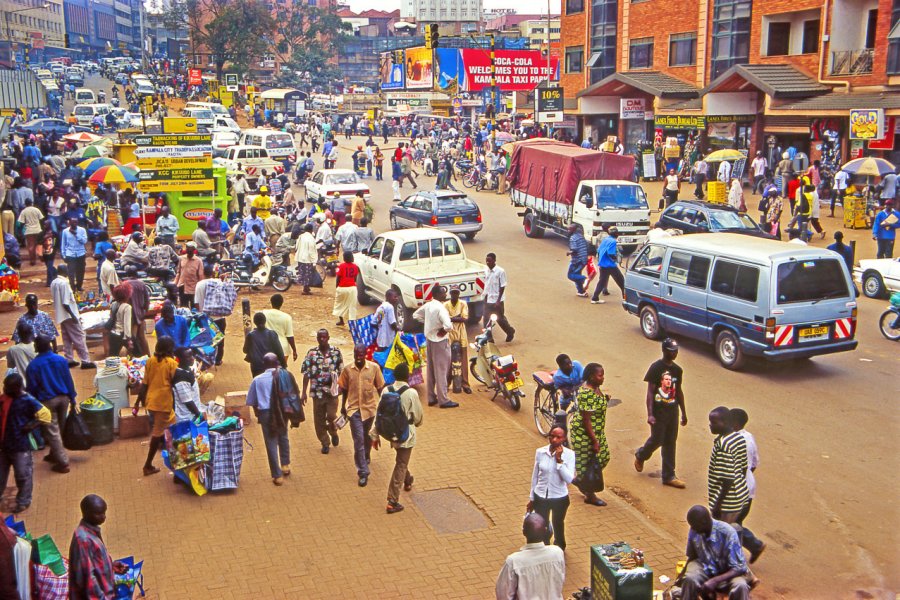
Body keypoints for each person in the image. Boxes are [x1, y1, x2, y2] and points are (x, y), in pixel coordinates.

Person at [634, 338, 688, 488]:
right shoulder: (656, 368)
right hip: (658, 412)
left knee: (670, 442)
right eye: (672, 351)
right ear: (664, 351)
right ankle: (641, 454)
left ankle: (669, 476)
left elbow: (679, 391)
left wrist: (683, 412)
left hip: (672, 411)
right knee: (657, 439)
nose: (675, 354)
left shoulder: (677, 370)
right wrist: (650, 414)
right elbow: (650, 393)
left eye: (676, 351)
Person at [370, 363, 422, 514]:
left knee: (401, 460)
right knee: (401, 464)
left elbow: (379, 413)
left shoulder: (387, 390)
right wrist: (416, 422)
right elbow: (418, 417)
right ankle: (392, 501)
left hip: (390, 432)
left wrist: (374, 434)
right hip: (406, 435)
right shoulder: (411, 393)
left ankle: (408, 479)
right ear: (407, 376)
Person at [26, 335, 77, 474]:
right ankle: (54, 454)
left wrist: (33, 406)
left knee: (52, 431)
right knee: (59, 427)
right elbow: (68, 380)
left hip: (47, 401)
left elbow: (32, 388)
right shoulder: (60, 360)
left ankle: (63, 462)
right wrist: (72, 398)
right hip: (64, 398)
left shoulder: (33, 366)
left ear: (37, 348)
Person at [0, 372, 50, 513]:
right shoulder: (4, 399)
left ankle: (23, 501)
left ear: (17, 387)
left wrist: (32, 425)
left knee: (23, 475)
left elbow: (45, 415)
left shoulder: (28, 400)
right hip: (4, 446)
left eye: (7, 387)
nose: (4, 389)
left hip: (20, 446)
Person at [680, 505, 752, 600]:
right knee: (690, 578)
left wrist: (714, 581)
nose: (693, 529)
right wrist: (681, 578)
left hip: (728, 573)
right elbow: (692, 556)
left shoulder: (727, 532)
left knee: (740, 586)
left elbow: (739, 567)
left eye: (695, 527)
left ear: (704, 522)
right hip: (706, 568)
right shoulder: (694, 529)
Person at [338, 344, 386, 487]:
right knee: (358, 440)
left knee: (367, 437)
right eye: (356, 354)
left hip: (370, 410)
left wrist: (383, 408)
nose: (358, 357)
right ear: (353, 354)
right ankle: (363, 472)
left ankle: (366, 455)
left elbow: (380, 388)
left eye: (361, 354)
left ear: (365, 354)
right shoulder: (347, 370)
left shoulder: (374, 368)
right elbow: (344, 389)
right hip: (354, 411)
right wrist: (342, 407)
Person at [68, 494, 128, 599]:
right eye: (99, 514)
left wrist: (111, 566)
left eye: (104, 512)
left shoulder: (91, 530)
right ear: (86, 513)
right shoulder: (83, 540)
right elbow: (87, 578)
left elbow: (94, 562)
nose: (104, 517)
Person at [495, 512, 566, 600]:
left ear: (524, 532)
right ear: (546, 530)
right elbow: (560, 581)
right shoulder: (557, 553)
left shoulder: (513, 562)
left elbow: (503, 594)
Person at [246, 353, 292, 485]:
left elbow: (252, 400)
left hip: (265, 412)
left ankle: (277, 476)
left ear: (264, 364)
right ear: (277, 363)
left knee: (271, 441)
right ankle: (285, 465)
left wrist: (257, 413)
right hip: (282, 411)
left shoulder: (257, 380)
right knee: (283, 436)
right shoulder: (285, 376)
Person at [134, 336, 178, 476]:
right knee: (159, 432)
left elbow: (144, 384)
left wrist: (137, 402)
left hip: (152, 401)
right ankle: (148, 465)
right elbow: (175, 381)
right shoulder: (171, 363)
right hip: (163, 403)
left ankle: (175, 459)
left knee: (171, 430)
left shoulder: (150, 361)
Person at [528, 426, 575, 550]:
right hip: (541, 496)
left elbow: (569, 479)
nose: (554, 440)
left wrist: (559, 461)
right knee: (542, 524)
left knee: (558, 523)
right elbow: (535, 476)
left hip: (559, 497)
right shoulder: (540, 452)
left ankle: (559, 546)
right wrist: (532, 498)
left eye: (558, 437)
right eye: (552, 436)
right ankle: (544, 547)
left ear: (564, 439)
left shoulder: (569, 455)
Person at [569, 362, 609, 507]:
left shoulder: (596, 388)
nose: (603, 378)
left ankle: (581, 479)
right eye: (600, 375)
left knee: (604, 457)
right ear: (592, 377)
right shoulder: (586, 394)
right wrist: (594, 441)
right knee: (586, 463)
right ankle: (589, 494)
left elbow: (597, 405)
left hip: (598, 432)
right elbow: (586, 420)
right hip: (585, 434)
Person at [707, 407, 751, 535]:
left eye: (714, 423)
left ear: (726, 423)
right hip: (739, 496)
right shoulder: (738, 438)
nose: (710, 425)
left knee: (721, 536)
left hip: (726, 503)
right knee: (732, 531)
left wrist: (717, 505)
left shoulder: (723, 446)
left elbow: (727, 479)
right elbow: (743, 468)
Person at [729, 408, 765, 562]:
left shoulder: (734, 442)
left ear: (735, 424)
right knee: (734, 524)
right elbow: (754, 463)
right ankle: (753, 545)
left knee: (730, 525)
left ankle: (739, 556)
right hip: (749, 488)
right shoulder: (749, 437)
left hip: (737, 491)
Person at [413, 286, 458, 409]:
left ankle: (431, 397)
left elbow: (415, 315)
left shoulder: (429, 305)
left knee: (431, 369)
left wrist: (428, 323)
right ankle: (443, 400)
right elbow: (448, 326)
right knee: (442, 370)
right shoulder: (440, 308)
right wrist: (443, 330)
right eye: (443, 293)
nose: (445, 295)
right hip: (440, 341)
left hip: (429, 340)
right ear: (437, 294)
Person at [301, 329, 344, 454]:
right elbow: (306, 373)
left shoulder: (336, 352)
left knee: (331, 416)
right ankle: (325, 442)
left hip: (332, 391)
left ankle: (333, 432)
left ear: (328, 337)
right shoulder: (312, 353)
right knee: (319, 419)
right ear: (317, 338)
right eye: (320, 337)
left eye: (324, 337)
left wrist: (341, 387)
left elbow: (341, 372)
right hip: (317, 391)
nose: (322, 340)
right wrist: (303, 392)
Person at [51, 264, 95, 368]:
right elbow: (66, 303)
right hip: (69, 315)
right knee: (79, 336)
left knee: (67, 338)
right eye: (67, 269)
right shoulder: (64, 283)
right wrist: (73, 316)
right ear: (64, 271)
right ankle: (85, 361)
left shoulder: (54, 282)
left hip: (61, 315)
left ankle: (69, 359)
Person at [444, 288, 473, 394]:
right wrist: (457, 317)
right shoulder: (446, 305)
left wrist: (451, 318)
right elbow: (444, 319)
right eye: (453, 292)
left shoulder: (463, 303)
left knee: (464, 358)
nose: (455, 294)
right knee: (448, 358)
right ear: (450, 293)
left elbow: (464, 319)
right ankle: (447, 383)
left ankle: (465, 383)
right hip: (449, 333)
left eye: (457, 293)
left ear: (459, 294)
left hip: (461, 332)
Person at [484, 253, 515, 342]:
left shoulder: (500, 271)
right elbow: (487, 284)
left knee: (500, 319)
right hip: (488, 299)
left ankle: (510, 331)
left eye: (489, 261)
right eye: (486, 261)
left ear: (494, 260)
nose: (487, 262)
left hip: (497, 301)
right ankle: (489, 339)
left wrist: (498, 301)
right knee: (486, 320)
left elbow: (502, 286)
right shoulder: (486, 271)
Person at [243, 312, 286, 377]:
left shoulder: (251, 335)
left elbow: (245, 350)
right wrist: (284, 365)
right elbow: (279, 351)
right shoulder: (272, 334)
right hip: (271, 365)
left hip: (257, 367)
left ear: (254, 322)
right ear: (265, 321)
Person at [591, 228, 625, 304]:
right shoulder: (613, 241)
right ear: (616, 234)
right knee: (621, 281)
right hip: (610, 265)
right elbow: (611, 253)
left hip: (602, 264)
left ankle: (595, 298)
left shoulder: (605, 240)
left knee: (602, 281)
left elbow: (599, 250)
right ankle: (625, 298)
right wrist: (616, 259)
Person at [124, 267, 151, 357]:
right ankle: (148, 356)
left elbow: (124, 301)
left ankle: (130, 357)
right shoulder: (142, 284)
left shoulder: (125, 284)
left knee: (131, 339)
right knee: (142, 337)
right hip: (141, 314)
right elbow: (147, 300)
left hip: (131, 316)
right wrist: (145, 312)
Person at [263, 293, 298, 362]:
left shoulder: (264, 313)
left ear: (271, 302)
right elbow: (289, 336)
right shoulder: (287, 317)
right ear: (281, 303)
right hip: (283, 348)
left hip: (267, 346)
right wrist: (294, 350)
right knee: (281, 369)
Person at [172, 347, 204, 423]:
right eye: (188, 357)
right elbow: (187, 400)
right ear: (179, 359)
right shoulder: (181, 377)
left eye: (192, 355)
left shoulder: (187, 371)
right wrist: (198, 414)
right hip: (186, 418)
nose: (192, 358)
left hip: (190, 416)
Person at [61, 217, 88, 291]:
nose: (74, 224)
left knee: (81, 271)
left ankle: (79, 286)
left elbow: (84, 241)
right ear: (69, 222)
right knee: (71, 272)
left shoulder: (82, 230)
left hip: (80, 253)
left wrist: (76, 234)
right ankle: (72, 287)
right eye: (73, 222)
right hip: (70, 254)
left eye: (76, 222)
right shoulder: (65, 231)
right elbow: (63, 244)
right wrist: (63, 255)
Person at [174, 243, 204, 307]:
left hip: (193, 288)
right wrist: (175, 284)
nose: (189, 250)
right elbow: (178, 273)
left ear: (194, 250)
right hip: (182, 286)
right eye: (187, 248)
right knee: (183, 307)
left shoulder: (198, 261)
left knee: (194, 308)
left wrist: (200, 289)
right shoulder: (181, 259)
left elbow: (201, 276)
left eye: (190, 249)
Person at [333, 251, 359, 326]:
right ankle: (352, 325)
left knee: (340, 304)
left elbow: (338, 277)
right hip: (352, 288)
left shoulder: (341, 266)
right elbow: (355, 279)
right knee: (352, 306)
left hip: (342, 287)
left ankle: (341, 320)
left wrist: (337, 287)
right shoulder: (355, 267)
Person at [17, 198, 43, 265]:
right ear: (32, 203)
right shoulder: (36, 209)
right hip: (38, 229)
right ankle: (40, 255)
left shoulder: (24, 211)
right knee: (38, 244)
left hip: (29, 231)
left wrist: (20, 231)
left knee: (31, 246)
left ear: (25, 204)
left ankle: (32, 260)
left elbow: (21, 222)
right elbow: (41, 219)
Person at [566, 223, 589, 297]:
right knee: (577, 275)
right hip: (584, 259)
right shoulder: (581, 236)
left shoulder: (573, 238)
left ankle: (585, 279)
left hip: (577, 260)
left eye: (569, 229)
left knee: (570, 275)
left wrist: (569, 252)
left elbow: (574, 250)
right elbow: (586, 245)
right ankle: (581, 291)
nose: (568, 230)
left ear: (573, 230)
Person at [295, 223, 318, 295]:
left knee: (303, 273)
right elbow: (312, 250)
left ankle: (306, 288)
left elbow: (296, 246)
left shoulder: (301, 236)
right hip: (307, 258)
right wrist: (314, 260)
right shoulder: (311, 238)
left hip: (300, 257)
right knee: (308, 274)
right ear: (311, 230)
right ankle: (305, 289)